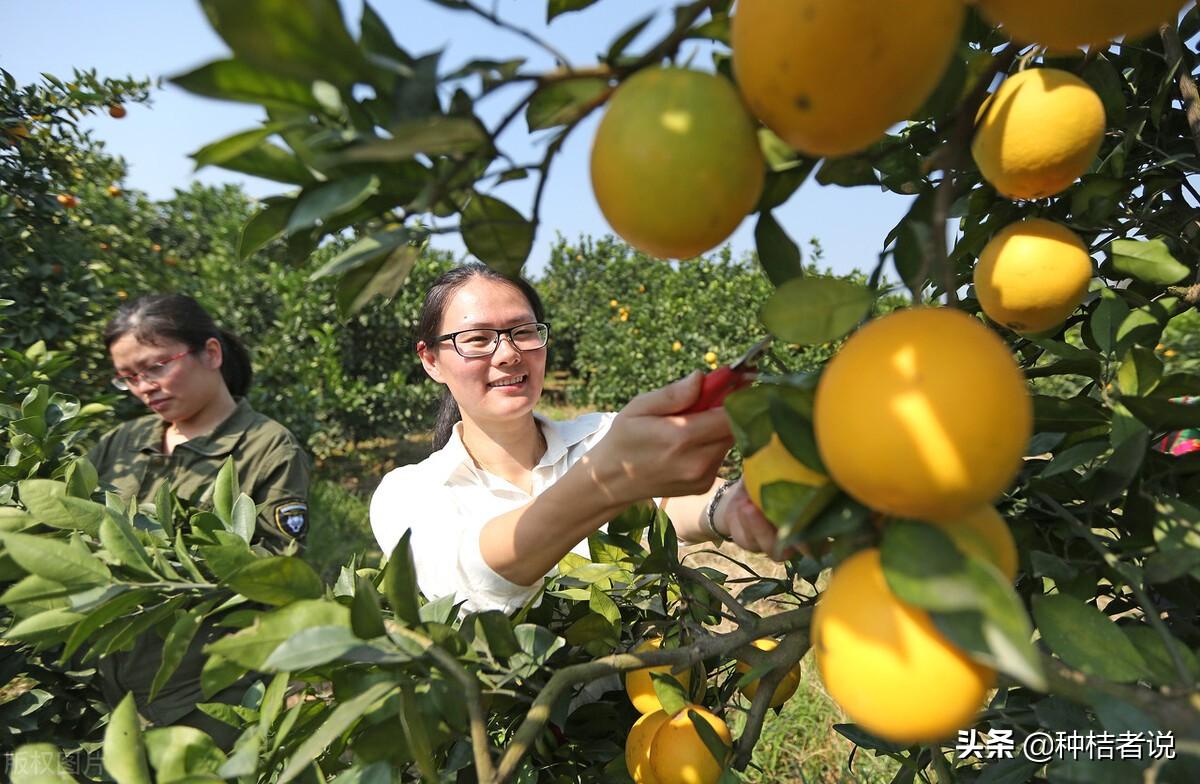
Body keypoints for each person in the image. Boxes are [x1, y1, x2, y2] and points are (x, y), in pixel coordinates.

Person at [370, 263, 783, 615]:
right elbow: (472, 579)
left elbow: (666, 502)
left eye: (523, 331)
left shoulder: (601, 434)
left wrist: (729, 506)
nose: (508, 353)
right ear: (431, 360)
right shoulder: (408, 494)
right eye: (477, 339)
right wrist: (606, 478)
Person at [87, 292, 311, 745]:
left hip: (208, 698)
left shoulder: (267, 448)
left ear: (210, 353)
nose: (143, 386)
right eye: (128, 377)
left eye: (155, 367)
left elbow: (276, 571)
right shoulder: (121, 442)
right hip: (107, 693)